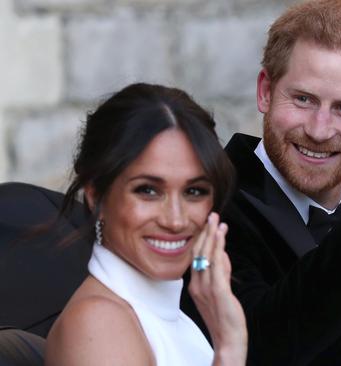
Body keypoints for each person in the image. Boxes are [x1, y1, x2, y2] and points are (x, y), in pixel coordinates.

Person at [181, 1, 341, 365]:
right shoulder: (210, 208)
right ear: (266, 93)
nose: (319, 130)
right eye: (303, 99)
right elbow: (259, 347)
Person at [44, 83, 247, 366]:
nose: (175, 220)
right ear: (95, 195)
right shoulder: (99, 325)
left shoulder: (170, 316)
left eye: (194, 191)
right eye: (148, 191)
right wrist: (229, 351)